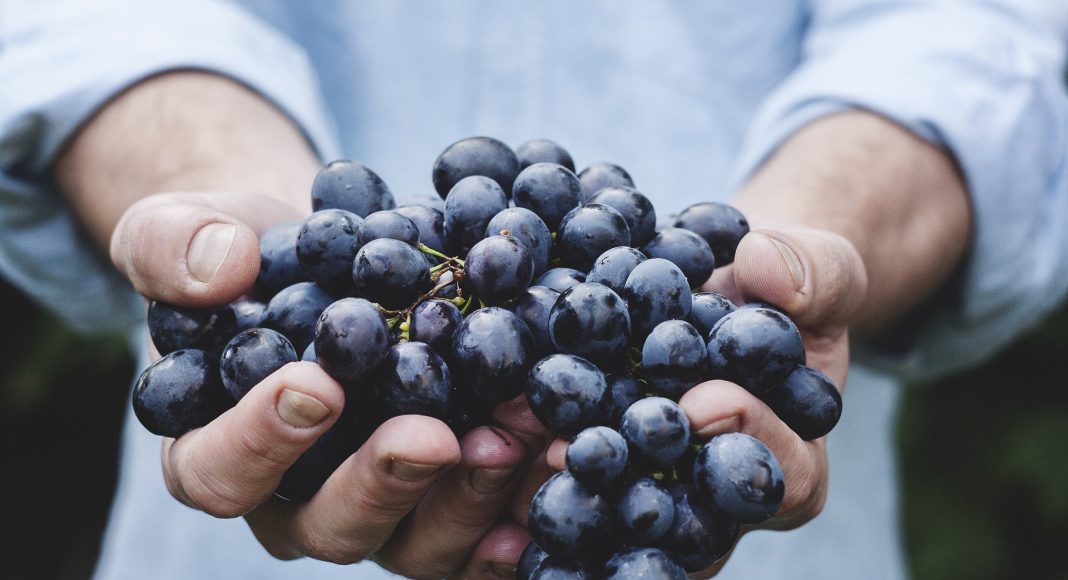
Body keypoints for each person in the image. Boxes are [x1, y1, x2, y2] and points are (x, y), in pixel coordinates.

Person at [2, 1, 1067, 578]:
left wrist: (811, 237)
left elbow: (968, 33)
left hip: (744, 496)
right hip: (255, 512)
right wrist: (207, 193)